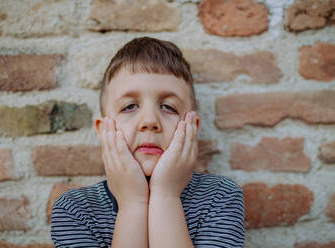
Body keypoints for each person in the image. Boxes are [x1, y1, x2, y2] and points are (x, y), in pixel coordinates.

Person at [51, 36, 245, 247]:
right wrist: (131, 204)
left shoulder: (220, 198)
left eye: (169, 107)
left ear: (192, 128)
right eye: (129, 106)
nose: (150, 121)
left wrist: (166, 195)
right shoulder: (75, 210)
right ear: (103, 129)